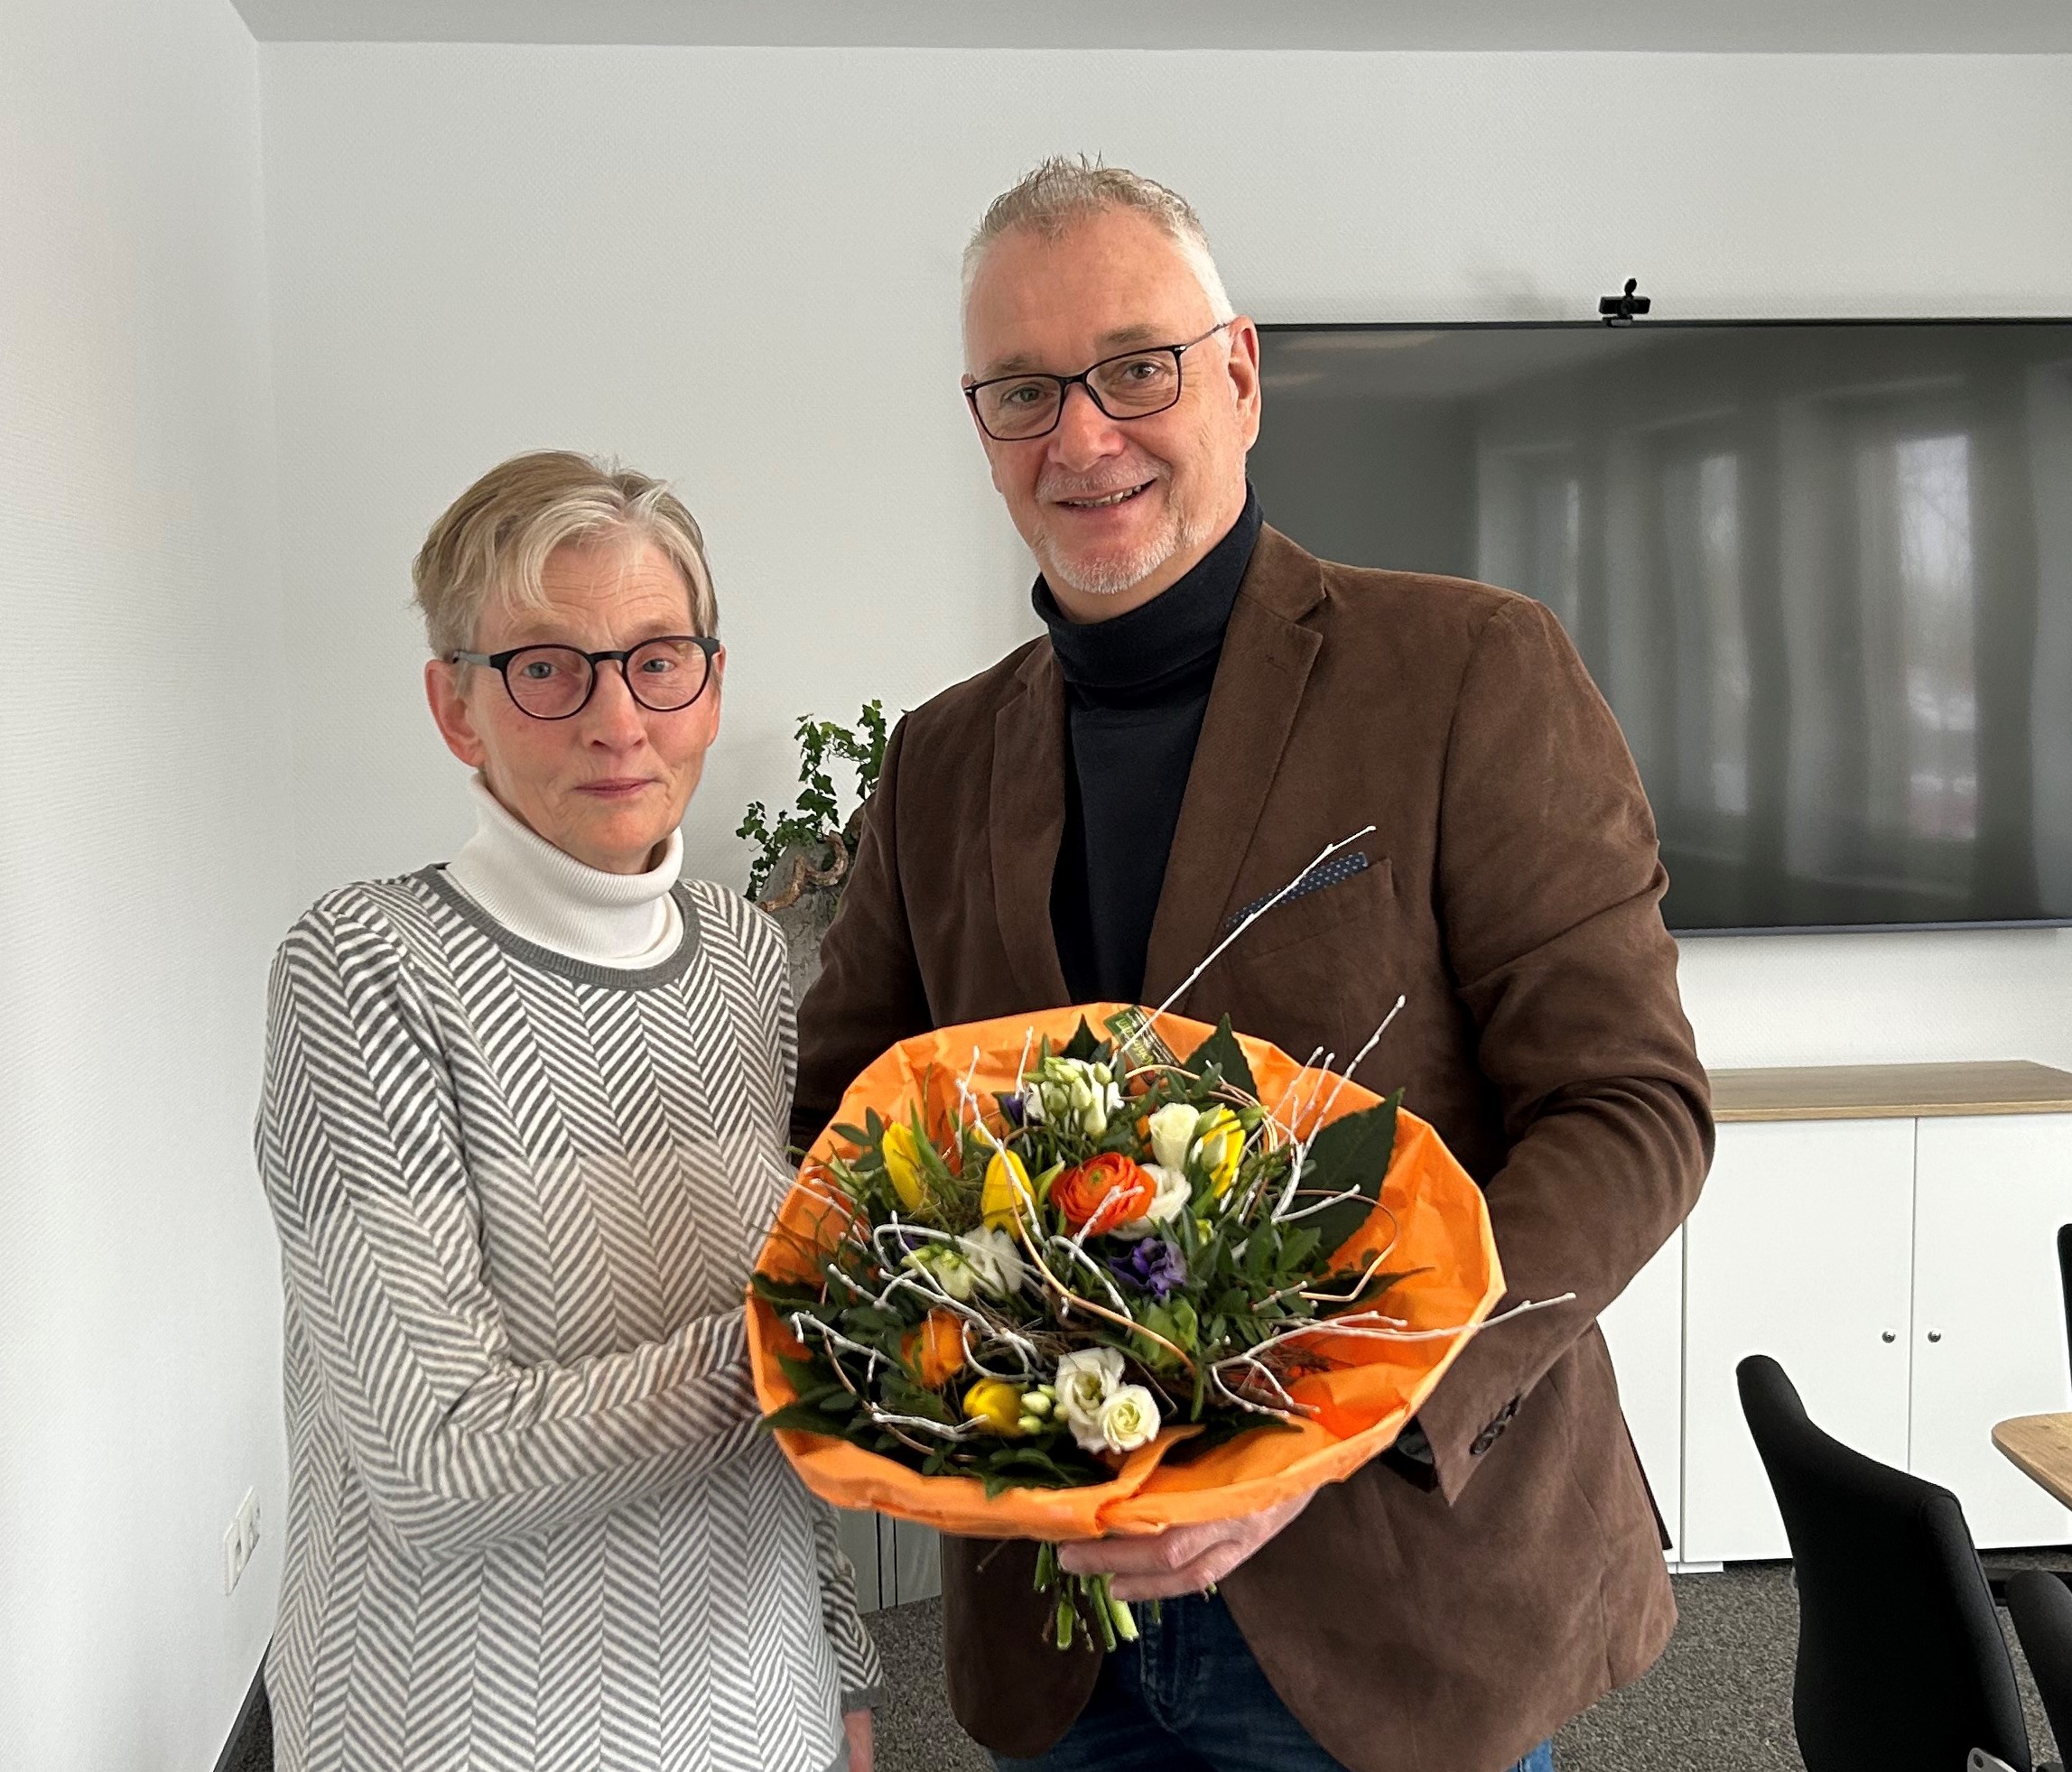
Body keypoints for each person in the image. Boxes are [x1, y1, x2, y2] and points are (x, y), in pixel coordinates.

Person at [794, 160, 1714, 1772]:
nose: (1081, 437)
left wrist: (1341, 1419)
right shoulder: (937, 762)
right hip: (1058, 1632)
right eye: (1022, 390)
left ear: (1237, 374)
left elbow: (1633, 1114)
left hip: (1403, 1614)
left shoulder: (1468, 671)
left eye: (1135, 365)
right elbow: (845, 1127)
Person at [256, 450, 881, 1772]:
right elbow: (435, 1462)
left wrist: (844, 1661)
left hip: (755, 1704)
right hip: (466, 1724)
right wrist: (852, 1329)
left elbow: (775, 1334)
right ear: (455, 708)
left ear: (711, 683)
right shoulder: (368, 971)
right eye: (545, 667)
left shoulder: (744, 956)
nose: (617, 721)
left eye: (660, 660)